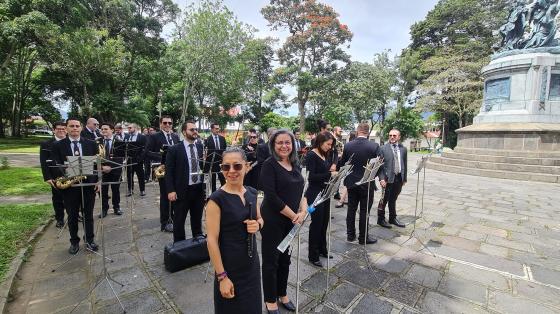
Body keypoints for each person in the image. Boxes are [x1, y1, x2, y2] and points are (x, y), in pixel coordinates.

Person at [206, 147, 263, 314]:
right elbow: (211, 240)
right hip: (229, 268)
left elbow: (260, 218)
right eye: (226, 167)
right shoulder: (216, 200)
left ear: (247, 166)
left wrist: (258, 225)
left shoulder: (252, 193)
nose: (231, 171)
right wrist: (222, 277)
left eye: (237, 166)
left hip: (251, 266)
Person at [259, 129, 307, 313]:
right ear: (273, 144)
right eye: (280, 142)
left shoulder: (295, 164)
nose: (284, 146)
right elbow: (271, 197)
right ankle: (270, 299)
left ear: (293, 144)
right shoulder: (269, 165)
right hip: (273, 220)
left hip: (291, 220)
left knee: (286, 259)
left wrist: (302, 210)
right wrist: (294, 215)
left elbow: (301, 191)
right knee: (272, 261)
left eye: (288, 142)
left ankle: (282, 293)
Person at [51, 118, 101, 254]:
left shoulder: (91, 144)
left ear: (81, 128)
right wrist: (65, 170)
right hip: (70, 187)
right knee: (72, 215)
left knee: (88, 214)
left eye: (77, 126)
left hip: (88, 184)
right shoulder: (57, 145)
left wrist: (98, 181)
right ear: (66, 128)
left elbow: (97, 166)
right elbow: (55, 166)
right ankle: (74, 242)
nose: (74, 128)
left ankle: (90, 240)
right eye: (71, 126)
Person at [337, 123, 380, 244]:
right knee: (364, 211)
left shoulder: (348, 145)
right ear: (368, 132)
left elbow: (343, 164)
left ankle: (350, 235)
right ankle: (363, 237)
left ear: (357, 131)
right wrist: (373, 176)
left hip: (351, 183)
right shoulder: (374, 146)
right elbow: (380, 165)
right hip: (367, 183)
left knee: (351, 209)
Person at [166, 121, 205, 242]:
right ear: (184, 132)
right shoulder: (174, 149)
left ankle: (197, 242)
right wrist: (171, 190)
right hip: (182, 190)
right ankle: (179, 246)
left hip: (198, 188)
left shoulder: (200, 146)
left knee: (197, 218)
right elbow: (169, 171)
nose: (195, 132)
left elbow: (201, 167)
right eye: (191, 130)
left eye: (196, 129)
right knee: (179, 220)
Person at [305, 132, 336, 267]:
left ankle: (322, 249)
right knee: (316, 224)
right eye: (328, 144)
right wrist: (329, 174)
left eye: (331, 145)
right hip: (315, 193)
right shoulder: (311, 155)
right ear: (320, 142)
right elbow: (311, 177)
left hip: (325, 192)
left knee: (324, 223)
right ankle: (313, 254)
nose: (330, 147)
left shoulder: (324, 154)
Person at [146, 115, 180, 232]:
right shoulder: (154, 136)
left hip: (176, 170)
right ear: (161, 124)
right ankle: (164, 221)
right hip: (162, 169)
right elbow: (147, 152)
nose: (167, 125)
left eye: (169, 123)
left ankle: (173, 218)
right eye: (165, 123)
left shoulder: (176, 136)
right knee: (165, 196)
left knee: (175, 194)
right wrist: (163, 156)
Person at [377, 129, 407, 228]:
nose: (392, 137)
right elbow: (379, 166)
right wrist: (381, 179)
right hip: (387, 179)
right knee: (384, 199)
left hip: (398, 178)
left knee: (393, 199)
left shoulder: (403, 149)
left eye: (394, 135)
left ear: (399, 137)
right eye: (390, 135)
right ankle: (380, 219)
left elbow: (404, 164)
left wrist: (404, 178)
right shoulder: (382, 148)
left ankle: (392, 218)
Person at [39, 121, 67, 228]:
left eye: (63, 128)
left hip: (71, 174)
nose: (61, 130)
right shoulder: (46, 144)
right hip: (55, 176)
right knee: (57, 198)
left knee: (74, 197)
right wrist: (47, 177)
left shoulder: (70, 142)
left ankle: (75, 215)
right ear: (54, 130)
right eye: (58, 129)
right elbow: (43, 161)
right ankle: (59, 219)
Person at [98, 122, 123, 217]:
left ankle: (116, 207)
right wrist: (101, 167)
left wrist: (111, 167)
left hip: (116, 169)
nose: (103, 131)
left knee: (115, 189)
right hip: (102, 170)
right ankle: (104, 208)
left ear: (112, 130)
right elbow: (95, 157)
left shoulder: (118, 141)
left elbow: (120, 158)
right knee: (103, 190)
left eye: (106, 129)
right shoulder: (98, 141)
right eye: (102, 129)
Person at [124, 123, 147, 197]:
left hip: (138, 160)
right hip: (129, 159)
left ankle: (142, 190)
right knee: (129, 175)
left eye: (130, 128)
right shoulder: (127, 136)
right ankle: (130, 190)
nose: (129, 129)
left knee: (140, 175)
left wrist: (140, 158)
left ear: (135, 128)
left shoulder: (142, 137)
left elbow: (145, 149)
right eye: (128, 128)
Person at [204, 123, 227, 192]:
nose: (218, 130)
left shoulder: (222, 139)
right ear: (212, 129)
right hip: (212, 164)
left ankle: (223, 194)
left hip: (221, 163)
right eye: (216, 128)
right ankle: (214, 197)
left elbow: (225, 151)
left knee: (223, 181)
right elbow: (205, 152)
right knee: (213, 182)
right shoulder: (207, 139)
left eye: (218, 128)